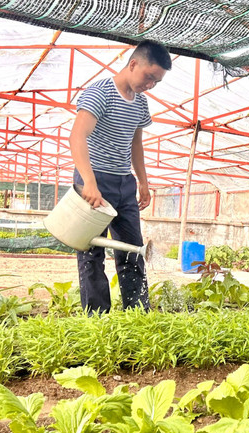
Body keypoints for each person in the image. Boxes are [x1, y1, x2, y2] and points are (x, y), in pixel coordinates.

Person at [69, 40, 172, 314]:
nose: (150, 84)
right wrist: (88, 182)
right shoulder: (99, 93)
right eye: (149, 77)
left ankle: (137, 316)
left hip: (124, 182)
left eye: (156, 81)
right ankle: (98, 319)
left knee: (132, 249)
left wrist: (143, 182)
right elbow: (77, 136)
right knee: (91, 253)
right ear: (133, 63)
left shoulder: (140, 103)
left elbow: (135, 143)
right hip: (94, 180)